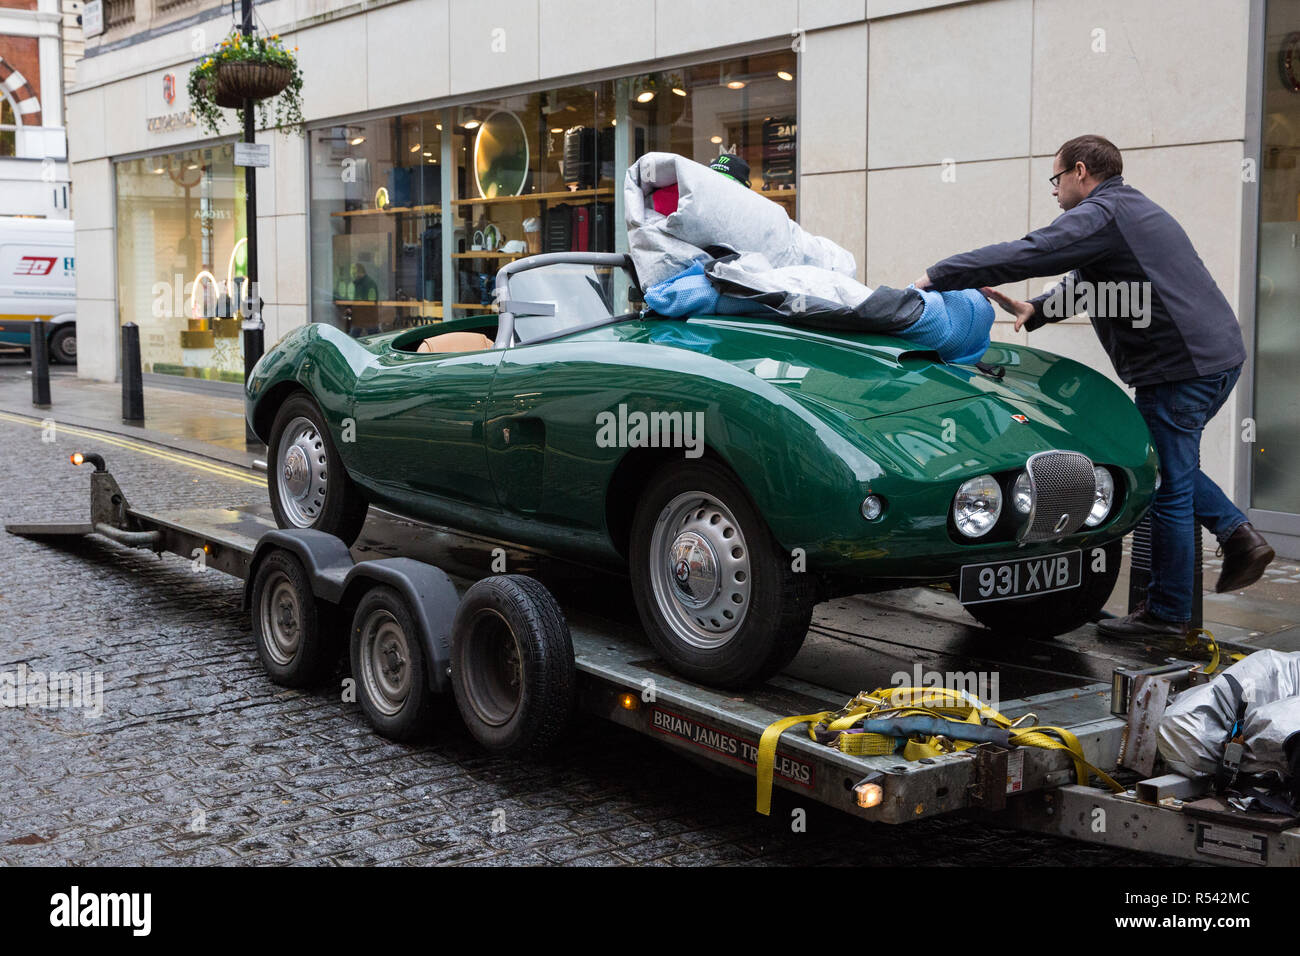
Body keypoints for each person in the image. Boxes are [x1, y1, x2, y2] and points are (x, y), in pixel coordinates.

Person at [913, 134, 1274, 639]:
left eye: (1056, 179)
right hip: (1213, 358)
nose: (1055, 191)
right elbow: (1095, 283)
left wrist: (941, 275)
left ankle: (1169, 614)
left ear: (1081, 171)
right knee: (1174, 465)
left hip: (1178, 367)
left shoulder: (1102, 212)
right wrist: (1036, 310)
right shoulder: (1127, 211)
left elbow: (1033, 251)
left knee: (1166, 484)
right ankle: (1237, 535)